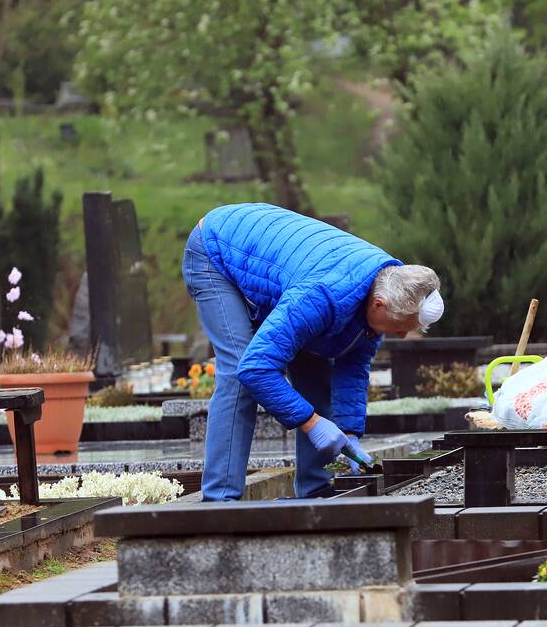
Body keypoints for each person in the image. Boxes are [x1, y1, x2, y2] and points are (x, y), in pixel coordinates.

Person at [182, 203, 444, 500]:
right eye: (400, 325)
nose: (401, 334)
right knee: (238, 373)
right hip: (217, 252)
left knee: (317, 374)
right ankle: (219, 500)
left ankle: (315, 489)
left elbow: (352, 365)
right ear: (379, 305)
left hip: (283, 267)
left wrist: (348, 432)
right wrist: (312, 423)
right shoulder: (322, 296)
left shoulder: (384, 286)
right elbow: (254, 369)